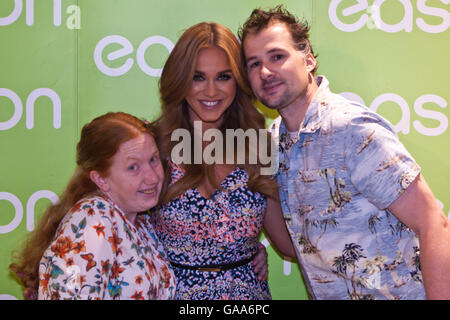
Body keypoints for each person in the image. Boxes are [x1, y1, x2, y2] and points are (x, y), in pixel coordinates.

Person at [239, 5, 450, 300]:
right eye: (253, 63)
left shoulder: (352, 130)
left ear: (308, 59)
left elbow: (433, 222)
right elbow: (294, 246)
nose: (265, 72)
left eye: (277, 56)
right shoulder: (273, 144)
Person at [151, 22, 295, 300]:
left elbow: (289, 245)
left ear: (239, 81)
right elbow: (120, 230)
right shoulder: (154, 147)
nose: (211, 91)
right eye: (198, 77)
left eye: (224, 77)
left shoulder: (259, 147)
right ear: (180, 80)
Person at [10, 112, 176, 300]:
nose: (153, 177)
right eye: (133, 167)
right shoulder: (93, 221)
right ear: (101, 179)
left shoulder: (139, 222)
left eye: (153, 159)